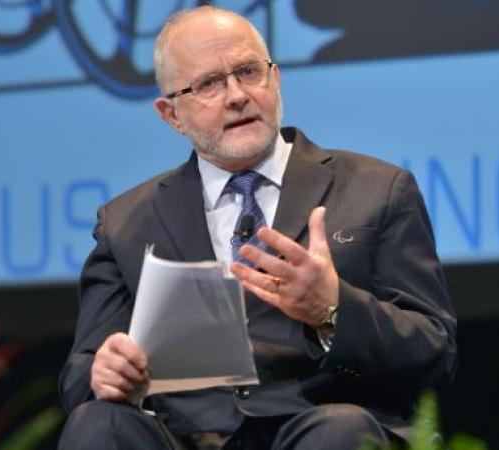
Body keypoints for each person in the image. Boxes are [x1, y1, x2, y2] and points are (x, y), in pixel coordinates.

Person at [58, 6, 457, 450]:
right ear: (171, 114)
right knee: (98, 422)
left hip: (320, 428)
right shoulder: (127, 222)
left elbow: (434, 352)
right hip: (186, 436)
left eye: (248, 72)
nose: (236, 95)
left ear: (276, 78)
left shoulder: (377, 189)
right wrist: (105, 373)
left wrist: (332, 309)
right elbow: (81, 372)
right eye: (209, 83)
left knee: (340, 431)